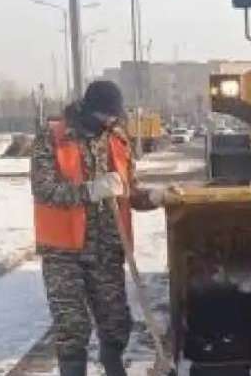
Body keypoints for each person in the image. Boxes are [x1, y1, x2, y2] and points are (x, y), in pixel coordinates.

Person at [31, 80, 168, 376]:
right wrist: (89, 191)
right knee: (72, 325)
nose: (112, 121)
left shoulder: (117, 139)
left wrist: (151, 198)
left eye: (114, 116)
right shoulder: (53, 138)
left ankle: (114, 368)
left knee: (115, 322)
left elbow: (126, 190)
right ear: (90, 111)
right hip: (64, 252)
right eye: (107, 115)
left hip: (106, 249)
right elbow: (44, 190)